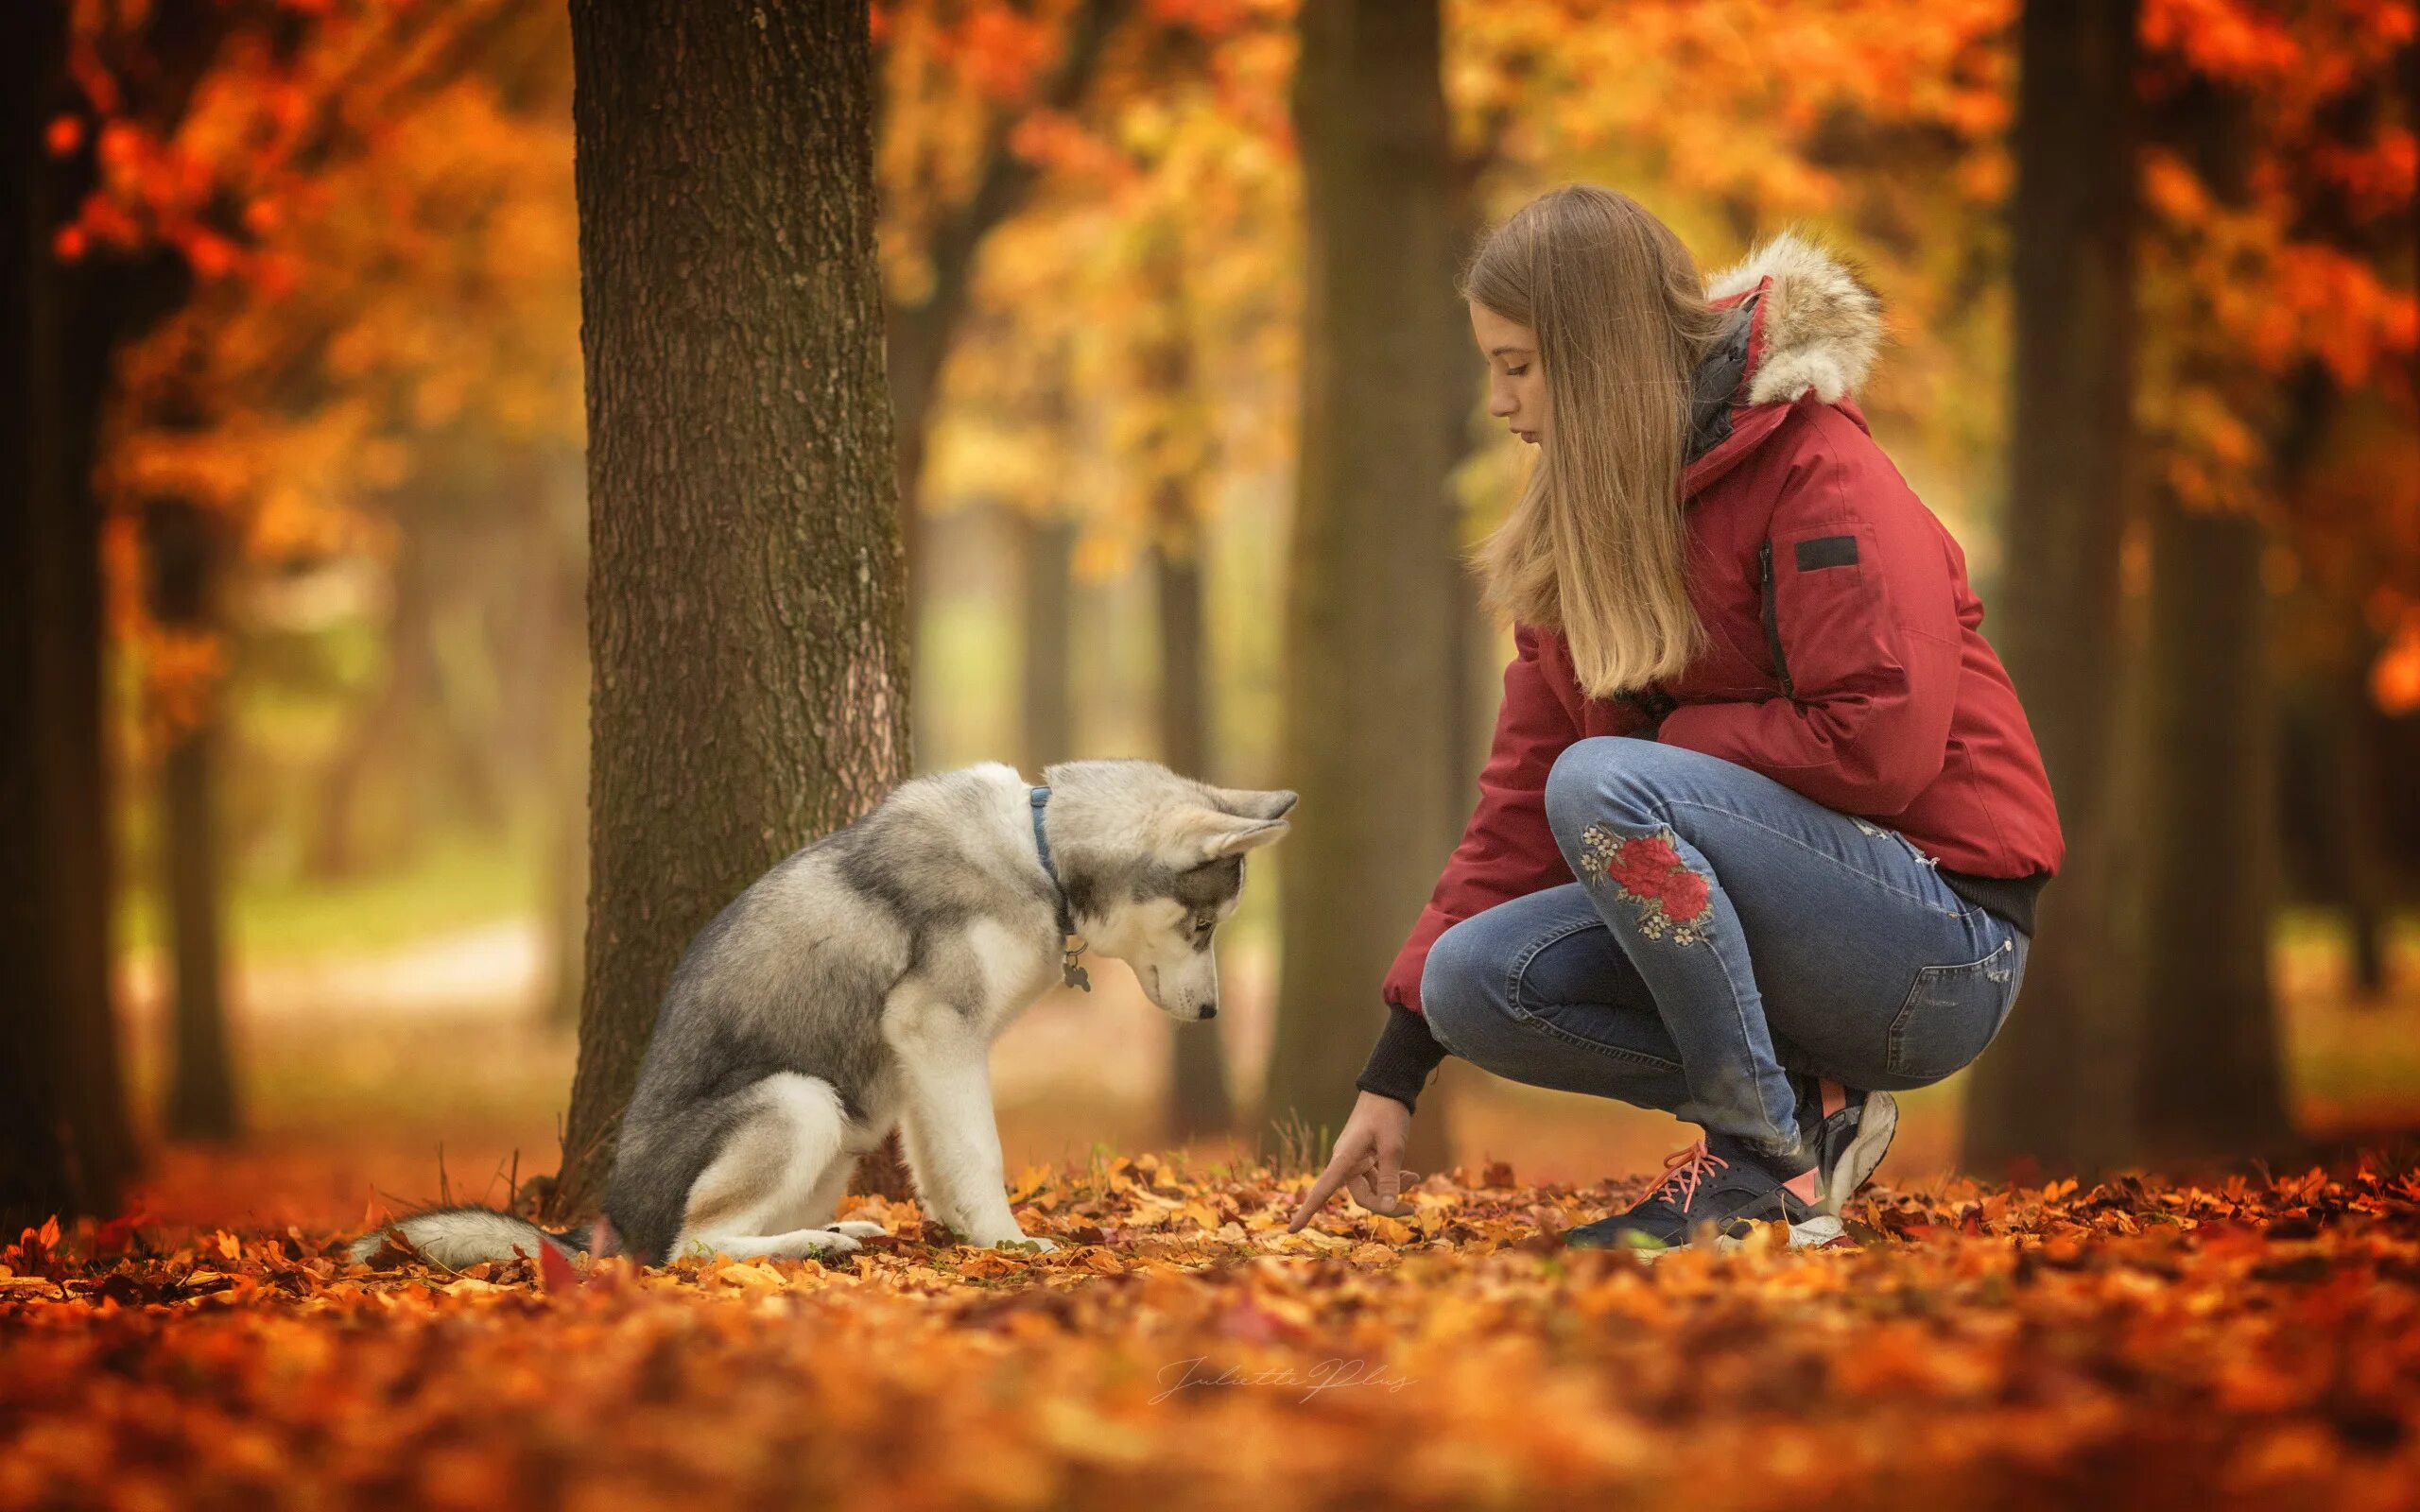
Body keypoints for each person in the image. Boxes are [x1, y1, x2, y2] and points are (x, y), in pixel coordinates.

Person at [1287, 185, 2063, 1252]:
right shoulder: (1583, 536)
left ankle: (1754, 1168)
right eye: (1490, 368)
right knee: (1475, 979)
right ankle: (1800, 1117)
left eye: (1518, 365)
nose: (1501, 402)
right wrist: (1396, 1071)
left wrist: (1656, 754)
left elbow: (1879, 746)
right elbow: (1519, 806)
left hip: (1939, 942)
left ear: (1595, 351)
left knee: (1605, 782)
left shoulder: (1819, 472)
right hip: (1787, 928)